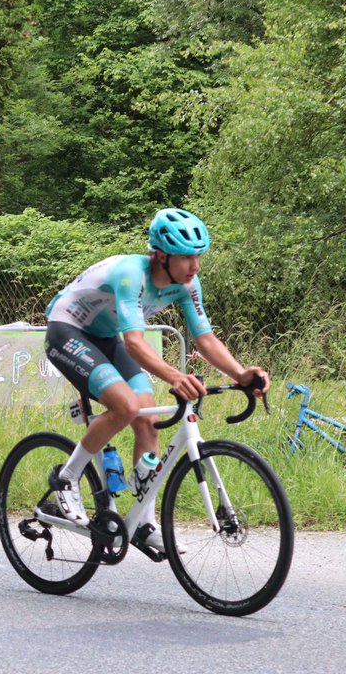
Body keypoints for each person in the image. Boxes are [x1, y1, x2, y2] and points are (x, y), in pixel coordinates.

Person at [43, 207, 270, 552]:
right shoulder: (132, 274)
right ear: (161, 256)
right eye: (187, 258)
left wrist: (240, 373)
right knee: (127, 407)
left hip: (105, 338)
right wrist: (176, 376)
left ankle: (142, 523)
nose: (195, 266)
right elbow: (135, 342)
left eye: (198, 257)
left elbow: (204, 338)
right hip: (68, 330)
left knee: (148, 418)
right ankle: (66, 478)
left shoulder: (186, 284)